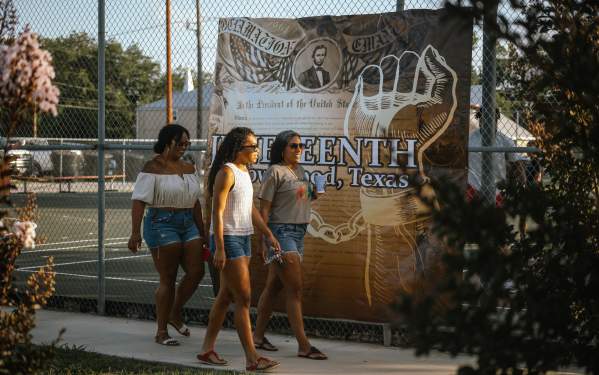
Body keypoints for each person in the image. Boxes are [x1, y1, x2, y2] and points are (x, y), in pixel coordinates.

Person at [197, 127, 281, 372]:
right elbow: (217, 212)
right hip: (228, 239)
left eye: (257, 146)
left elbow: (250, 209)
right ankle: (252, 358)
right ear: (237, 149)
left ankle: (206, 350)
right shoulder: (227, 172)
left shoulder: (244, 171)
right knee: (243, 298)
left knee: (225, 297)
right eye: (252, 147)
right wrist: (220, 248)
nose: (257, 151)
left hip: (243, 237)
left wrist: (267, 233)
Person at [128, 124, 208, 346]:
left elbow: (195, 203)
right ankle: (161, 331)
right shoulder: (152, 167)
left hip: (188, 222)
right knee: (168, 278)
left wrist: (202, 232)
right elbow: (139, 200)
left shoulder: (189, 168)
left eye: (187, 144)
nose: (184, 147)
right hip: (161, 223)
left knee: (196, 271)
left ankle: (174, 312)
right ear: (167, 142)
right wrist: (135, 233)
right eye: (180, 143)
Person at [253, 130, 328, 360]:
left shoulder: (300, 170)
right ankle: (304, 345)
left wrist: (315, 190)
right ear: (282, 149)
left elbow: (301, 198)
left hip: (298, 233)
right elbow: (263, 209)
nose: (298, 150)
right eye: (293, 146)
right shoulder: (274, 172)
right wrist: (264, 239)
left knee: (274, 286)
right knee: (295, 289)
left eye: (300, 146)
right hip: (281, 233)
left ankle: (257, 337)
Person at [467, 108, 525, 207]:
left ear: (497, 120)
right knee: (473, 220)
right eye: (484, 119)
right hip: (473, 187)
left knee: (495, 220)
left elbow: (517, 164)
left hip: (497, 189)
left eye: (492, 119)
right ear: (480, 120)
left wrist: (522, 183)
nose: (488, 122)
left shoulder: (504, 140)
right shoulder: (470, 139)